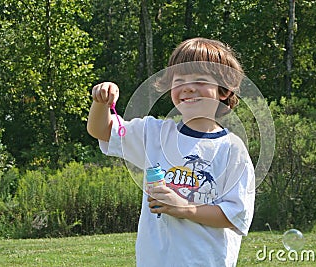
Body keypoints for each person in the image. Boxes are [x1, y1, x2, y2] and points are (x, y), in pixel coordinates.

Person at [87, 37, 255, 267]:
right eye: (180, 80)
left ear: (223, 91)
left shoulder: (232, 149)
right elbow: (101, 130)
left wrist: (185, 208)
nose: (187, 86)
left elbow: (235, 215)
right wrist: (101, 102)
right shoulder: (154, 134)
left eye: (200, 79)